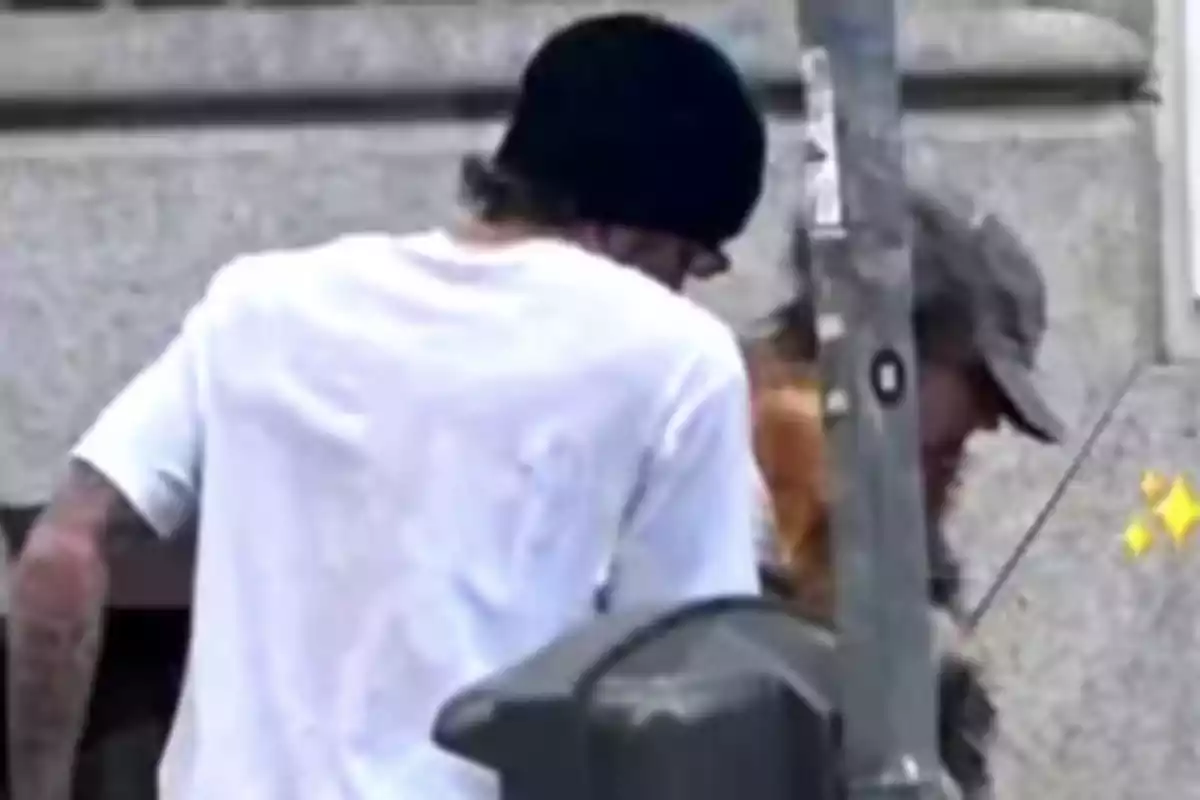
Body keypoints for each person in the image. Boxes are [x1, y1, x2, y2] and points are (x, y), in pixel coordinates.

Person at [7, 14, 767, 800]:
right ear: (640, 234)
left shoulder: (261, 305)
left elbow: (62, 552)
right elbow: (692, 696)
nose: (682, 290)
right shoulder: (676, 356)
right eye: (692, 263)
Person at [748, 185, 1063, 799]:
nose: (987, 423)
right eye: (975, 380)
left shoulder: (895, 530)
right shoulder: (743, 472)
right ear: (884, 345)